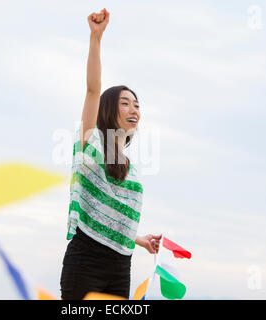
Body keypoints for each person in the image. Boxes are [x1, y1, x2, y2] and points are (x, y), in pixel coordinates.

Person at [60, 8, 161, 300]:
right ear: (109, 109)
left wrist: (140, 240)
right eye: (126, 103)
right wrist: (96, 38)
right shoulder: (90, 143)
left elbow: (112, 215)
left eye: (137, 105)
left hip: (120, 264)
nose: (134, 109)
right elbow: (93, 90)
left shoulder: (131, 166)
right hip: (86, 260)